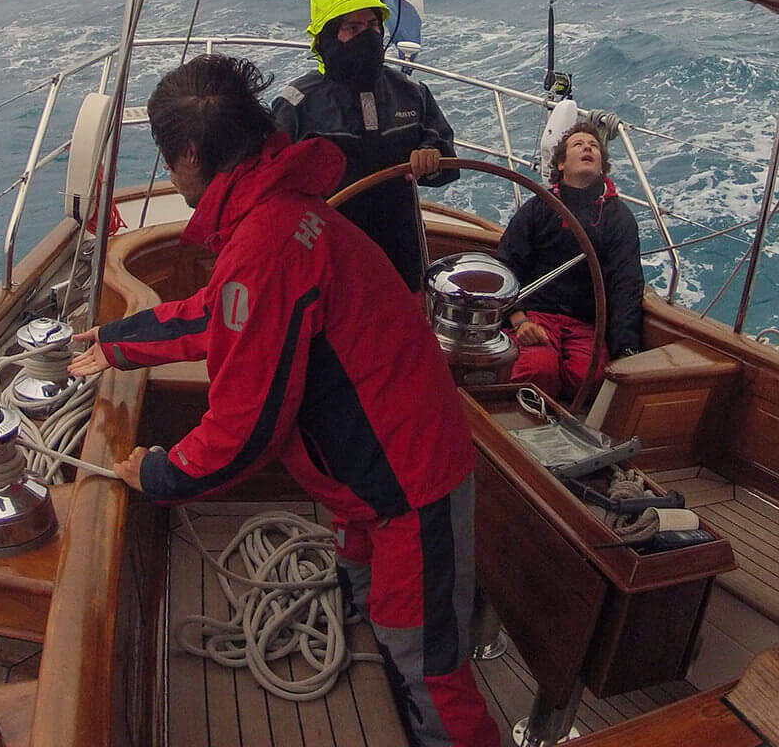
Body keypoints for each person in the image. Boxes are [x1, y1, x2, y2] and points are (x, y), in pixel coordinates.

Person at [69, 55, 500, 747]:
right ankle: (389, 689)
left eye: (166, 160)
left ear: (187, 157)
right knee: (372, 602)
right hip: (372, 476)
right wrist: (119, 340)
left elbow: (246, 431)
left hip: (411, 484)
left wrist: (155, 473)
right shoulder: (282, 212)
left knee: (431, 670)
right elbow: (222, 316)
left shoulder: (267, 243)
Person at [272, 0, 459, 291]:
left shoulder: (411, 93)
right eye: (353, 28)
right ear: (328, 36)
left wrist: (431, 157)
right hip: (325, 256)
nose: (368, 36)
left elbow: (447, 163)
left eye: (373, 25)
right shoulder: (297, 104)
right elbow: (271, 188)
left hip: (400, 254)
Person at [497, 120, 644, 401]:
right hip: (534, 316)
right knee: (538, 370)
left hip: (586, 325)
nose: (588, 147)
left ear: (602, 165)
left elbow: (626, 285)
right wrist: (517, 320)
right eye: (578, 144)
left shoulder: (619, 218)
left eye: (594, 146)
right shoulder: (538, 208)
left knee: (590, 379)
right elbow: (506, 268)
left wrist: (626, 350)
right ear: (561, 164)